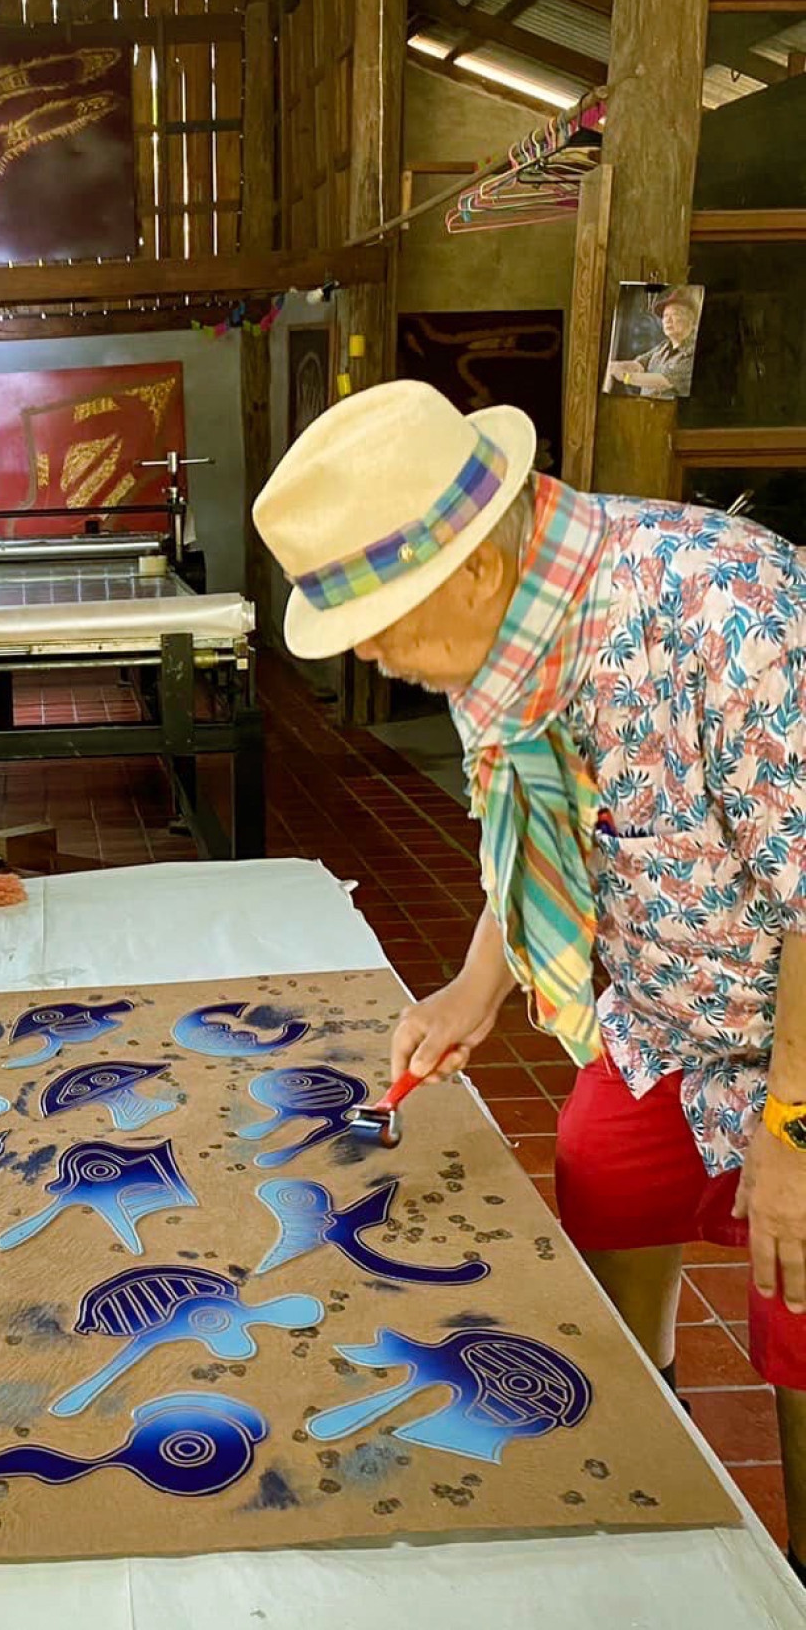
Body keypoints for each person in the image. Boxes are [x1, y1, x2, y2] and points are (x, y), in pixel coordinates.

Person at [254, 380, 806, 1573]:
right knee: (601, 1170)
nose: (370, 654)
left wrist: (793, 1128)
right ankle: (655, 1442)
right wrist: (476, 984)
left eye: (381, 622)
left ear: (475, 568)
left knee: (800, 1287)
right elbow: (545, 842)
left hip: (797, 1044)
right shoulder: (494, 647)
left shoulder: (723, 608)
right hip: (666, 1021)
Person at [606, 286, 701, 399]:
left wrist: (626, 377)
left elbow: (664, 381)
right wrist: (614, 366)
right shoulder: (663, 346)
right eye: (665, 316)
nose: (667, 320)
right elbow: (639, 365)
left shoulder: (694, 351)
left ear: (691, 320)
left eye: (675, 314)